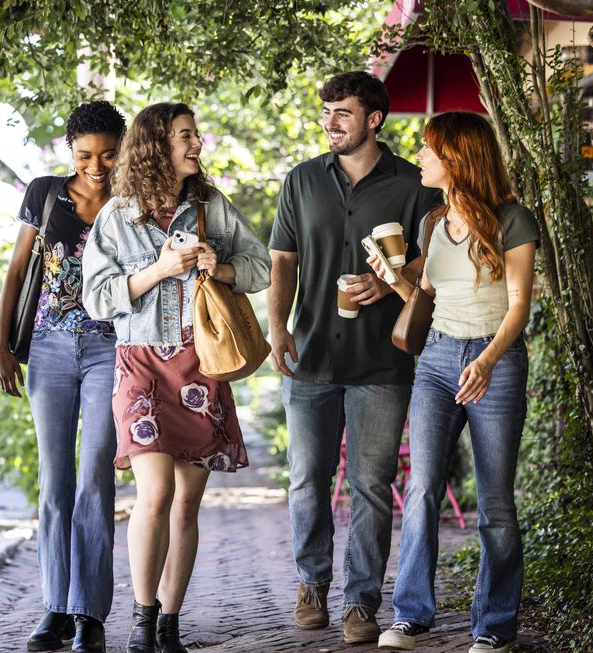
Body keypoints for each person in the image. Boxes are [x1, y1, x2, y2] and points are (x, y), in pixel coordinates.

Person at [82, 102, 271, 653]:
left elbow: (261, 266)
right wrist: (160, 270)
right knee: (156, 491)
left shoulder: (211, 206)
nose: (198, 144)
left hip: (199, 363)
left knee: (187, 502)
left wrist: (220, 266)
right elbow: (96, 298)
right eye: (186, 136)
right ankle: (141, 623)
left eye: (195, 134)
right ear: (156, 146)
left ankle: (169, 624)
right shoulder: (117, 215)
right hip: (140, 363)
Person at [267, 71, 441, 643]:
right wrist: (276, 329)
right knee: (307, 481)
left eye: (342, 112)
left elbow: (435, 260)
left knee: (370, 485)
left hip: (381, 363)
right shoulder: (300, 181)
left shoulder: (415, 186)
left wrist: (389, 281)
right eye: (327, 112)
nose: (330, 123)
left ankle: (361, 602)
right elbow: (283, 263)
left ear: (373, 119)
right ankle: (310, 585)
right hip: (312, 353)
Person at [372, 112, 537, 653]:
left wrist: (488, 360)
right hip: (438, 363)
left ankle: (494, 627)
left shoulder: (512, 220)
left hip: (497, 361)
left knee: (495, 502)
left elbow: (519, 307)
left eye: (428, 149)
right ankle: (411, 617)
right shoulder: (432, 223)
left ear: (457, 158)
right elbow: (426, 303)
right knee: (420, 490)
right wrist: (392, 278)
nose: (419, 157)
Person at [0, 100, 126, 653]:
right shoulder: (45, 193)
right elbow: (19, 268)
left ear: (121, 150)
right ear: (69, 152)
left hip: (111, 349)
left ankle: (89, 614)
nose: (96, 166)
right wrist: (3, 344)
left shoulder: (133, 200)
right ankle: (55, 609)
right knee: (56, 481)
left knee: (95, 472)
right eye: (85, 155)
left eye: (107, 154)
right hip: (48, 347)